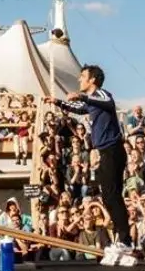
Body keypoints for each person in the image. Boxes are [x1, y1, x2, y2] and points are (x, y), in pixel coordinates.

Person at [45, 64, 132, 251]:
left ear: (92, 79)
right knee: (108, 196)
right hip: (104, 151)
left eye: (82, 76)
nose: (79, 79)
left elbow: (108, 103)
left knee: (112, 194)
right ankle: (122, 237)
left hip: (112, 149)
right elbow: (79, 108)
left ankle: (125, 240)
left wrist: (83, 97)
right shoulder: (91, 102)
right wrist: (57, 102)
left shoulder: (101, 94)